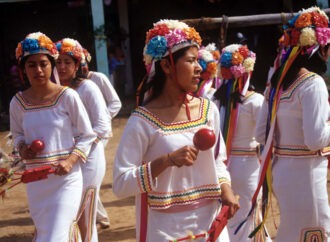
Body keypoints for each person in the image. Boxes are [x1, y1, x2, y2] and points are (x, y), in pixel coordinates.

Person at [112, 19, 240, 242]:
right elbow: (121, 184)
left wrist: (225, 188)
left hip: (210, 222)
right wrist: (166, 161)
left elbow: (218, 161)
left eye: (198, 60)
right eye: (191, 61)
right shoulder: (142, 121)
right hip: (166, 229)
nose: (200, 67)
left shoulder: (207, 110)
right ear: (167, 66)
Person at [10, 32, 96, 242]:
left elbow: (87, 135)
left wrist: (70, 161)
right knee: (46, 233)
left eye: (43, 64)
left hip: (66, 179)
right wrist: (23, 149)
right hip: (36, 181)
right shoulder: (18, 103)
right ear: (23, 69)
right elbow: (17, 135)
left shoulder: (67, 97)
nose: (38, 70)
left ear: (52, 66)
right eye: (32, 65)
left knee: (55, 236)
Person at [255, 6, 330, 241]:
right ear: (319, 49)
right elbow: (315, 139)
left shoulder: (275, 86)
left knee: (291, 232)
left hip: (283, 173)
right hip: (306, 175)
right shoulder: (312, 84)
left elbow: (260, 134)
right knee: (314, 233)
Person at [212, 43, 270, 241]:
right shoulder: (255, 101)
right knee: (248, 213)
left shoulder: (213, 100)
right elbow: (265, 135)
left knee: (227, 214)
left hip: (220, 167)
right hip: (248, 166)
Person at [55, 38, 110, 242]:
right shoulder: (54, 92)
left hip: (89, 158)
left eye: (67, 62)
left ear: (77, 65)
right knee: (68, 213)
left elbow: (103, 126)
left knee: (84, 214)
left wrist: (80, 149)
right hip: (65, 160)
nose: (61, 67)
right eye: (58, 62)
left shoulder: (87, 88)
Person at [81, 47, 122, 229]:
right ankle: (97, 216)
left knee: (89, 174)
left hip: (99, 133)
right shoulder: (67, 84)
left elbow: (115, 103)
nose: (80, 68)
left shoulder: (98, 78)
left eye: (82, 63)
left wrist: (101, 118)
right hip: (80, 135)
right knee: (84, 176)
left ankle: (97, 217)